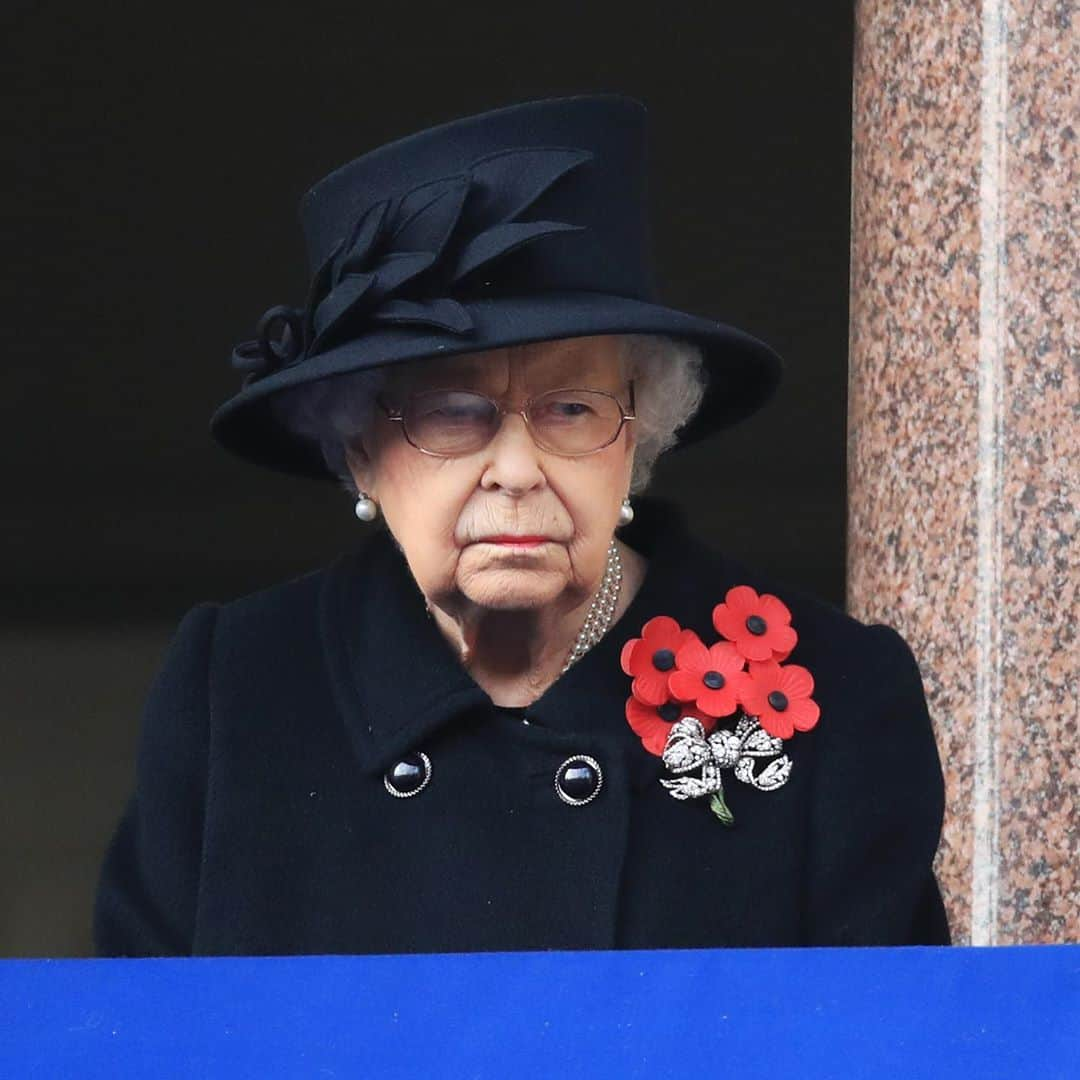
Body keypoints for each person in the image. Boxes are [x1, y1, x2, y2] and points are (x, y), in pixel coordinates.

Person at [93, 94, 950, 956]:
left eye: (571, 408)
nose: (515, 467)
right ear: (359, 454)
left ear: (639, 437)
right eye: (453, 413)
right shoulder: (239, 690)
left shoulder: (833, 689)